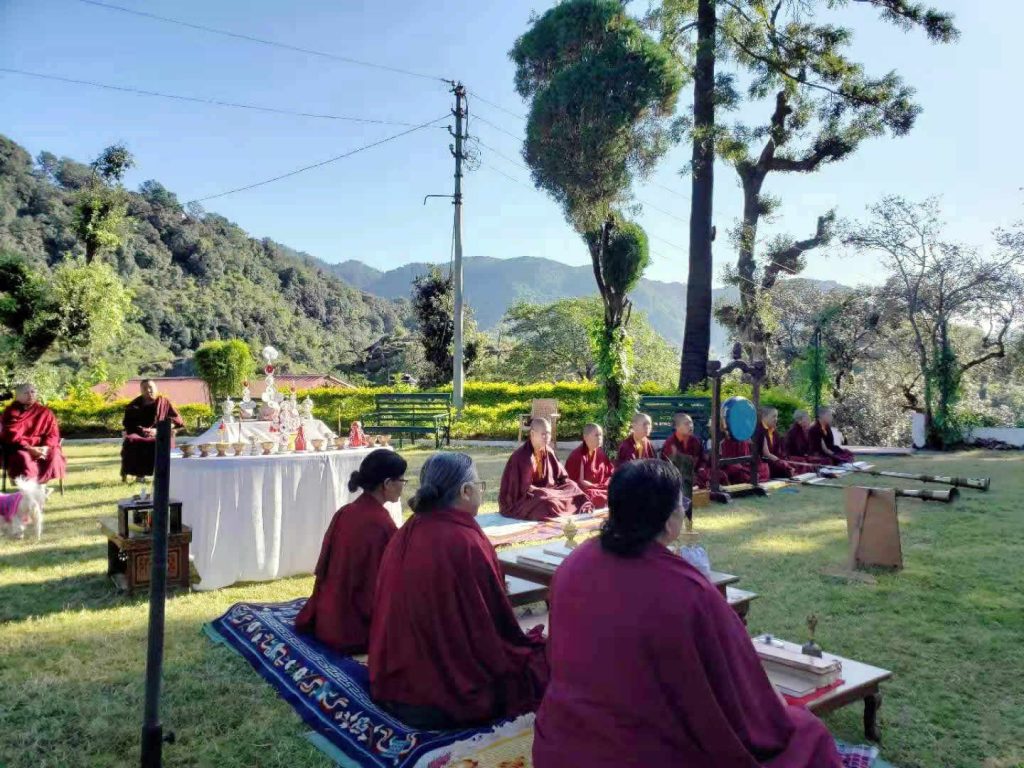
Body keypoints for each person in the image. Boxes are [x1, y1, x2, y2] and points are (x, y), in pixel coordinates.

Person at [533, 460, 843, 768]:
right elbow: (740, 689)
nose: (684, 509)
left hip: (562, 745)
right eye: (681, 504)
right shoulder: (687, 590)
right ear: (669, 520)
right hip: (643, 754)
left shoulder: (573, 566)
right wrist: (776, 706)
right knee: (808, 734)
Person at [370, 452, 549, 729]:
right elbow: (492, 625)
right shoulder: (464, 539)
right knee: (541, 664)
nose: (480, 490)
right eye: (479, 485)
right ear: (466, 491)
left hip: (393, 683)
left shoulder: (406, 530)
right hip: (444, 698)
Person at [295, 449, 406, 654]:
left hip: (327, 616)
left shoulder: (346, 511)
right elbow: (389, 582)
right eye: (402, 479)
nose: (404, 485)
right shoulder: (381, 524)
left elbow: (324, 570)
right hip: (354, 628)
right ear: (388, 483)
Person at [498, 418, 593, 520]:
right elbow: (523, 490)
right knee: (546, 502)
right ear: (533, 434)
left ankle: (559, 502)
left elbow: (561, 477)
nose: (547, 437)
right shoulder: (521, 457)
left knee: (573, 487)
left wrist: (560, 488)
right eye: (543, 434)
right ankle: (559, 504)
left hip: (550, 490)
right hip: (527, 497)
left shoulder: (548, 451)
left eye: (549, 434)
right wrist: (545, 492)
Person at [1, 383, 66, 485]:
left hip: (42, 447)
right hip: (19, 447)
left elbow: (53, 434)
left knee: (54, 454)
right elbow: (10, 434)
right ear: (17, 396)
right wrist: (29, 448)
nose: (30, 395)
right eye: (26, 393)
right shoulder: (11, 412)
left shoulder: (45, 412)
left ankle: (40, 484)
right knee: (22, 457)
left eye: (32, 392)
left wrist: (45, 447)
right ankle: (29, 485)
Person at [120, 379, 185, 481]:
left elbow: (177, 421)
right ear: (141, 391)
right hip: (138, 433)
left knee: (155, 442)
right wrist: (143, 431)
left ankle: (161, 475)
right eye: (145, 388)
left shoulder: (164, 402)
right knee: (132, 440)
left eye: (150, 387)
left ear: (156, 389)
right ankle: (139, 475)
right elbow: (128, 424)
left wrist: (159, 430)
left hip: (160, 433)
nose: (148, 390)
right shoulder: (134, 405)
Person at [659, 412, 723, 488]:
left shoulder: (695, 441)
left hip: (695, 473)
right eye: (686, 424)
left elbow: (702, 459)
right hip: (677, 476)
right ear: (677, 427)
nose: (691, 426)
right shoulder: (670, 443)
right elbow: (671, 467)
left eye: (691, 423)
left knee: (719, 475)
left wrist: (701, 468)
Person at [564, 423, 614, 508]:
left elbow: (609, 473)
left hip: (599, 487)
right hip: (584, 490)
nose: (599, 438)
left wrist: (605, 484)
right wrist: (596, 487)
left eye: (601, 435)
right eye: (596, 435)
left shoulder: (600, 453)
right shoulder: (578, 455)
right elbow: (580, 482)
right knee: (596, 497)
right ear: (585, 437)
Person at [752, 407, 794, 479]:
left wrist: (784, 460)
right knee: (785, 469)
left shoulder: (774, 431)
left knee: (790, 466)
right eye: (774, 416)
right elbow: (766, 454)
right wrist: (780, 462)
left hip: (773, 460)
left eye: (777, 417)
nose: (776, 419)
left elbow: (778, 451)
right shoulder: (759, 430)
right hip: (763, 462)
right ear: (764, 416)